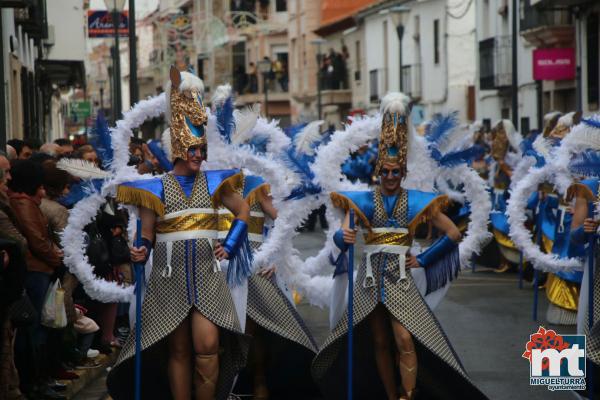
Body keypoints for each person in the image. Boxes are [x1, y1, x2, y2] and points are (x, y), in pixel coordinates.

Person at [311, 92, 488, 400]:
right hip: (368, 279)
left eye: (396, 172)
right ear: (377, 172)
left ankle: (408, 395)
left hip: (401, 280)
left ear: (403, 172)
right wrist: (345, 238)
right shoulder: (362, 200)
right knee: (378, 341)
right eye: (385, 172)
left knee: (404, 339)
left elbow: (453, 234)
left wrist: (424, 259)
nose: (390, 177)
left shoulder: (417, 201)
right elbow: (342, 235)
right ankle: (392, 396)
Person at [107, 66, 252, 400]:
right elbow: (146, 234)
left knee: (208, 345)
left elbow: (243, 210)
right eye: (193, 150)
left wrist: (229, 245)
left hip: (207, 274)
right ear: (178, 150)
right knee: (179, 350)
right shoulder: (153, 189)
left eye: (202, 149)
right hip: (168, 277)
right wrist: (140, 249)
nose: (199, 156)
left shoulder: (217, 182)